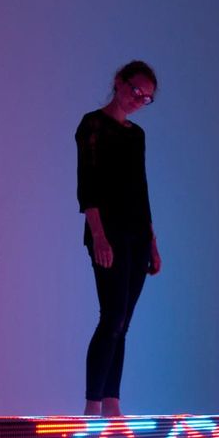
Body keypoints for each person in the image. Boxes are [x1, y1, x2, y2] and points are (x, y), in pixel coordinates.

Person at [76, 61, 162, 417]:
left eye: (146, 98)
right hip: (107, 233)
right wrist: (98, 235)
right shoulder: (92, 125)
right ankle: (92, 405)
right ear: (119, 82)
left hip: (137, 235)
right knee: (111, 316)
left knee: (123, 321)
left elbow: (140, 190)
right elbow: (88, 185)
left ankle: (113, 403)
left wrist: (153, 243)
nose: (138, 100)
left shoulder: (136, 135)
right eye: (135, 90)